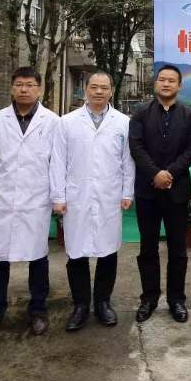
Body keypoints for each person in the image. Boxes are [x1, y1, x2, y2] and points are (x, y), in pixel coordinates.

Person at [0, 67, 59, 341]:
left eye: (30, 85)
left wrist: (55, 196)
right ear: (12, 88)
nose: (24, 89)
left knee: (38, 257)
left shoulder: (52, 121)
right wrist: (2, 187)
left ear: (39, 89)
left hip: (36, 200)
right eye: (19, 84)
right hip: (2, 199)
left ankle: (38, 311)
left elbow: (56, 163)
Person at [50, 71, 135, 331]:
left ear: (111, 91)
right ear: (85, 89)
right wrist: (59, 196)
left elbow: (128, 160)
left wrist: (127, 192)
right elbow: (57, 161)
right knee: (76, 252)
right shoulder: (67, 122)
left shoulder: (123, 122)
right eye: (94, 87)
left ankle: (103, 303)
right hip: (77, 196)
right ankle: (80, 305)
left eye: (104, 88)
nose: (99, 92)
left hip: (109, 195)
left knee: (108, 251)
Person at [129, 64, 191, 324]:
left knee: (178, 249)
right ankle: (149, 298)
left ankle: (176, 300)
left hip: (177, 192)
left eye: (171, 80)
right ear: (156, 83)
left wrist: (169, 173)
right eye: (162, 79)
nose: (166, 84)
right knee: (147, 248)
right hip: (147, 192)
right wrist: (155, 174)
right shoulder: (140, 113)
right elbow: (136, 146)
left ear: (180, 85)